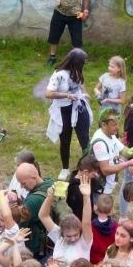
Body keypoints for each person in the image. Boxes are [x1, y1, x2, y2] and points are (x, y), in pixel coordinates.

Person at [44, 47, 91, 177]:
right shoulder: (59, 75)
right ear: (76, 62)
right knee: (65, 139)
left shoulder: (77, 71)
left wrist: (84, 93)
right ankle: (65, 169)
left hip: (79, 107)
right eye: (83, 62)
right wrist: (67, 96)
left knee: (84, 139)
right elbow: (48, 93)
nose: (84, 65)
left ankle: (88, 168)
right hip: (64, 110)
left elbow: (80, 83)